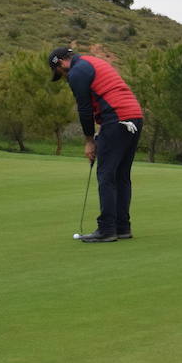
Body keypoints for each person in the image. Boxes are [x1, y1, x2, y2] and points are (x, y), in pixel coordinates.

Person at [49, 46, 144, 243]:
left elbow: (84, 110)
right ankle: (122, 227)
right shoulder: (93, 62)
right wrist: (103, 130)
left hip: (117, 118)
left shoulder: (76, 72)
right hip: (134, 117)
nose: (62, 77)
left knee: (106, 175)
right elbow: (104, 99)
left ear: (60, 63)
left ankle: (107, 229)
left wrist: (89, 141)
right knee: (121, 175)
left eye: (57, 71)